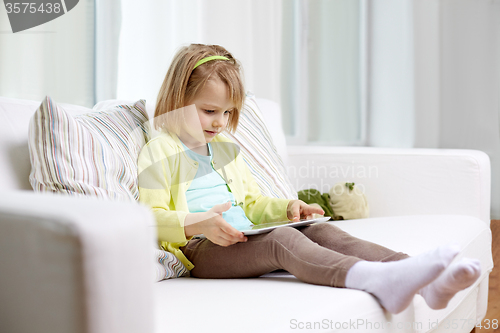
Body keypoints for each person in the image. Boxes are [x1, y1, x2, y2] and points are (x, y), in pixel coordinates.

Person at [137, 43, 481, 314]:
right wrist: (200, 223)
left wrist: (287, 209)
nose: (219, 122)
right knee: (282, 242)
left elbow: (253, 205)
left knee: (319, 230)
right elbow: (149, 219)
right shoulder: (160, 150)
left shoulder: (224, 147)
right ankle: (376, 280)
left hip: (244, 237)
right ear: (179, 99)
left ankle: (423, 277)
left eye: (227, 113)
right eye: (209, 111)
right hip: (203, 250)